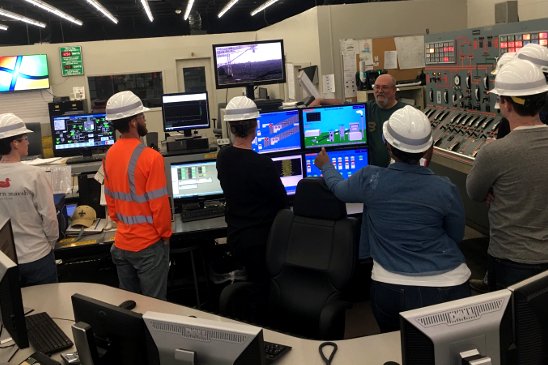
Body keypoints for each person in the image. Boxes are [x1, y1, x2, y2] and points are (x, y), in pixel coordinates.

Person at [314, 105, 470, 332]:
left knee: (397, 346)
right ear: (428, 148)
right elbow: (456, 236)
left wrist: (326, 166)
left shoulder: (371, 179)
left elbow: (340, 189)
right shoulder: (445, 187)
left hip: (390, 287)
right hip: (450, 285)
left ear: (387, 145)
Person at [466, 58, 548, 291]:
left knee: (514, 323)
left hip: (510, 260)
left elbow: (474, 191)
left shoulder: (494, 152)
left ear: (506, 104)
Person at [103, 90, 172, 300]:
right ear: (133, 122)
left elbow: (111, 205)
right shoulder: (151, 157)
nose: (144, 120)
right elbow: (159, 206)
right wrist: (166, 235)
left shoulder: (109, 155)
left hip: (122, 245)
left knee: (131, 308)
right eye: (142, 116)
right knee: (156, 309)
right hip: (148, 246)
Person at [216, 96, 288, 285]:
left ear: (231, 127)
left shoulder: (222, 158)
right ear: (255, 127)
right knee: (262, 289)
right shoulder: (262, 164)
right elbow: (282, 202)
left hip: (237, 238)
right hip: (261, 242)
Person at [0, 113, 59, 286]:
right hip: (37, 256)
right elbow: (49, 218)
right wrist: (50, 244)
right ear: (14, 143)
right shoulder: (34, 175)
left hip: (6, 260)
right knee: (48, 308)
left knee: (15, 310)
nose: (28, 142)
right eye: (25, 138)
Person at [310, 73, 406, 167]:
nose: (380, 91)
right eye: (377, 87)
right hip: (373, 170)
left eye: (384, 87)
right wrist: (321, 100)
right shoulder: (367, 108)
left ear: (394, 90)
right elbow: (344, 104)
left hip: (397, 170)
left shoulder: (405, 112)